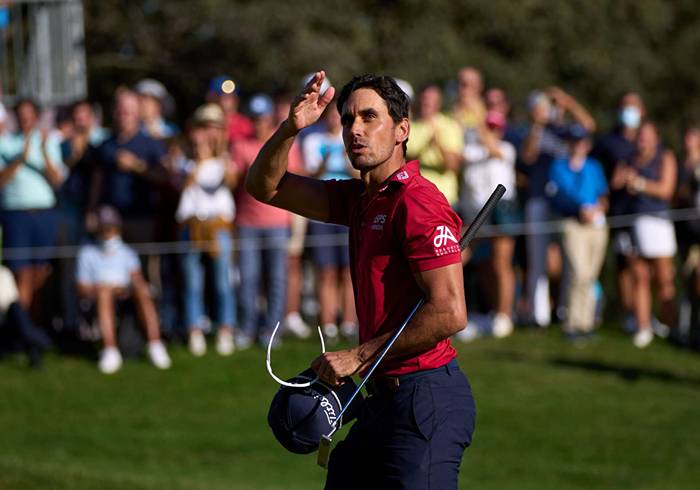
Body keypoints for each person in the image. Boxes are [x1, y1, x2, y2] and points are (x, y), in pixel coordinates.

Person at [246, 71, 475, 489]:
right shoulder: (360, 200)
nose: (356, 129)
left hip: (426, 399)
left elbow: (449, 312)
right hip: (381, 398)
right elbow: (265, 186)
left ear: (402, 130)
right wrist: (290, 128)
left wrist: (358, 356)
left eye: (370, 117)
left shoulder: (418, 203)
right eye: (349, 119)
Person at [231, 94, 304, 349]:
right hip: (248, 222)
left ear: (270, 118)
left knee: (276, 278)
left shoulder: (285, 143)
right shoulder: (240, 145)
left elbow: (295, 178)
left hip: (277, 221)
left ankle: (272, 330)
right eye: (254, 118)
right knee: (248, 278)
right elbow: (234, 179)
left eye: (262, 118)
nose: (259, 123)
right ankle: (247, 328)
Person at [519, 88, 596, 327]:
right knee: (538, 259)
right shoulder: (533, 131)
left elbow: (589, 125)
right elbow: (528, 156)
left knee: (572, 258)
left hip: (564, 204)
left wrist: (568, 101)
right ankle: (538, 315)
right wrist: (538, 124)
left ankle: (567, 310)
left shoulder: (566, 131)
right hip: (539, 200)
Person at [76, 205, 171, 373]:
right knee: (104, 292)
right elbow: (81, 288)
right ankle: (110, 349)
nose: (108, 233)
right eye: (104, 228)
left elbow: (137, 279)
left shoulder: (128, 252)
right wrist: (102, 288)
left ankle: (155, 344)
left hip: (125, 296)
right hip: (99, 297)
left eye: (111, 228)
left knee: (141, 290)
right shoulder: (87, 252)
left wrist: (123, 288)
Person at [175, 104, 238, 357]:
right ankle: (194, 330)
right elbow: (184, 186)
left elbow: (230, 182)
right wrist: (199, 161)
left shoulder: (225, 160)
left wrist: (217, 154)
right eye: (204, 128)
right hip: (191, 226)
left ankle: (225, 329)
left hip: (218, 226)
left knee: (222, 282)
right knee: (192, 283)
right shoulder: (184, 161)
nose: (208, 135)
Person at [611, 121, 677, 348]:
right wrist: (623, 179)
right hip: (634, 223)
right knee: (639, 276)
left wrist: (639, 183)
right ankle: (643, 326)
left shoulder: (665, 157)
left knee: (664, 278)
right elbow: (615, 183)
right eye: (641, 135)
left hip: (659, 223)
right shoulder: (629, 159)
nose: (643, 140)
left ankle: (670, 327)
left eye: (648, 136)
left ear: (656, 138)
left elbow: (666, 190)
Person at [0, 99, 66, 315]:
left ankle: (33, 325)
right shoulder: (5, 143)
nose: (25, 118)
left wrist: (44, 152)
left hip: (44, 214)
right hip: (16, 214)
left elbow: (56, 179)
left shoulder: (49, 142)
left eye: (29, 114)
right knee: (21, 271)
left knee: (41, 271)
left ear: (36, 117)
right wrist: (20, 159)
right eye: (21, 114)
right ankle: (22, 327)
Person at [302, 100, 358, 342]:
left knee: (349, 270)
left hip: (349, 207)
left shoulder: (351, 138)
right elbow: (311, 173)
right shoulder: (313, 140)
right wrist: (327, 161)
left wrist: (347, 160)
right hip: (323, 209)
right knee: (325, 270)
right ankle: (327, 324)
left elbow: (358, 172)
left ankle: (348, 322)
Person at [460, 110, 519, 338]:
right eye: (488, 126)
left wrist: (480, 128)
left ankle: (505, 316)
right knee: (476, 262)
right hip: (475, 211)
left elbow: (494, 150)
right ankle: (491, 311)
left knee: (500, 263)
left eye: (495, 128)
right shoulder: (472, 150)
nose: (492, 131)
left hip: (500, 208)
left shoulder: (507, 148)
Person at [591, 92, 646, 332]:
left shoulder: (646, 139)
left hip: (645, 210)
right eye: (625, 107)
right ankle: (629, 315)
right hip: (619, 211)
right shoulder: (608, 142)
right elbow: (595, 172)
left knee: (643, 265)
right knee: (625, 263)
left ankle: (643, 314)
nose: (629, 112)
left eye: (633, 107)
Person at [548, 125, 609, 339]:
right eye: (574, 142)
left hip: (596, 225)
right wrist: (579, 210)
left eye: (581, 142)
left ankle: (587, 322)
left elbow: (602, 194)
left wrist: (598, 209)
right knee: (579, 273)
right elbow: (557, 197)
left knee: (590, 276)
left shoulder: (594, 167)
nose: (577, 146)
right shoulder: (558, 166)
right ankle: (573, 323)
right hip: (572, 224)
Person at [406, 84, 463, 207]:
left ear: (439, 103)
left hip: (444, 198)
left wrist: (438, 143)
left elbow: (453, 166)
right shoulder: (410, 126)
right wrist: (425, 144)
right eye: (424, 99)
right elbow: (404, 164)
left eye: (431, 100)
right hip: (415, 197)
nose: (427, 103)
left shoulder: (450, 126)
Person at [0, 265, 52, 368]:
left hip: (8, 317)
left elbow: (12, 299)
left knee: (16, 310)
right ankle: (38, 342)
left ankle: (36, 342)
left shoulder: (4, 273)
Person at [206, 75, 254, 145]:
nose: (228, 101)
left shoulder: (244, 124)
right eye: (223, 96)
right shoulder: (204, 121)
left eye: (230, 96)